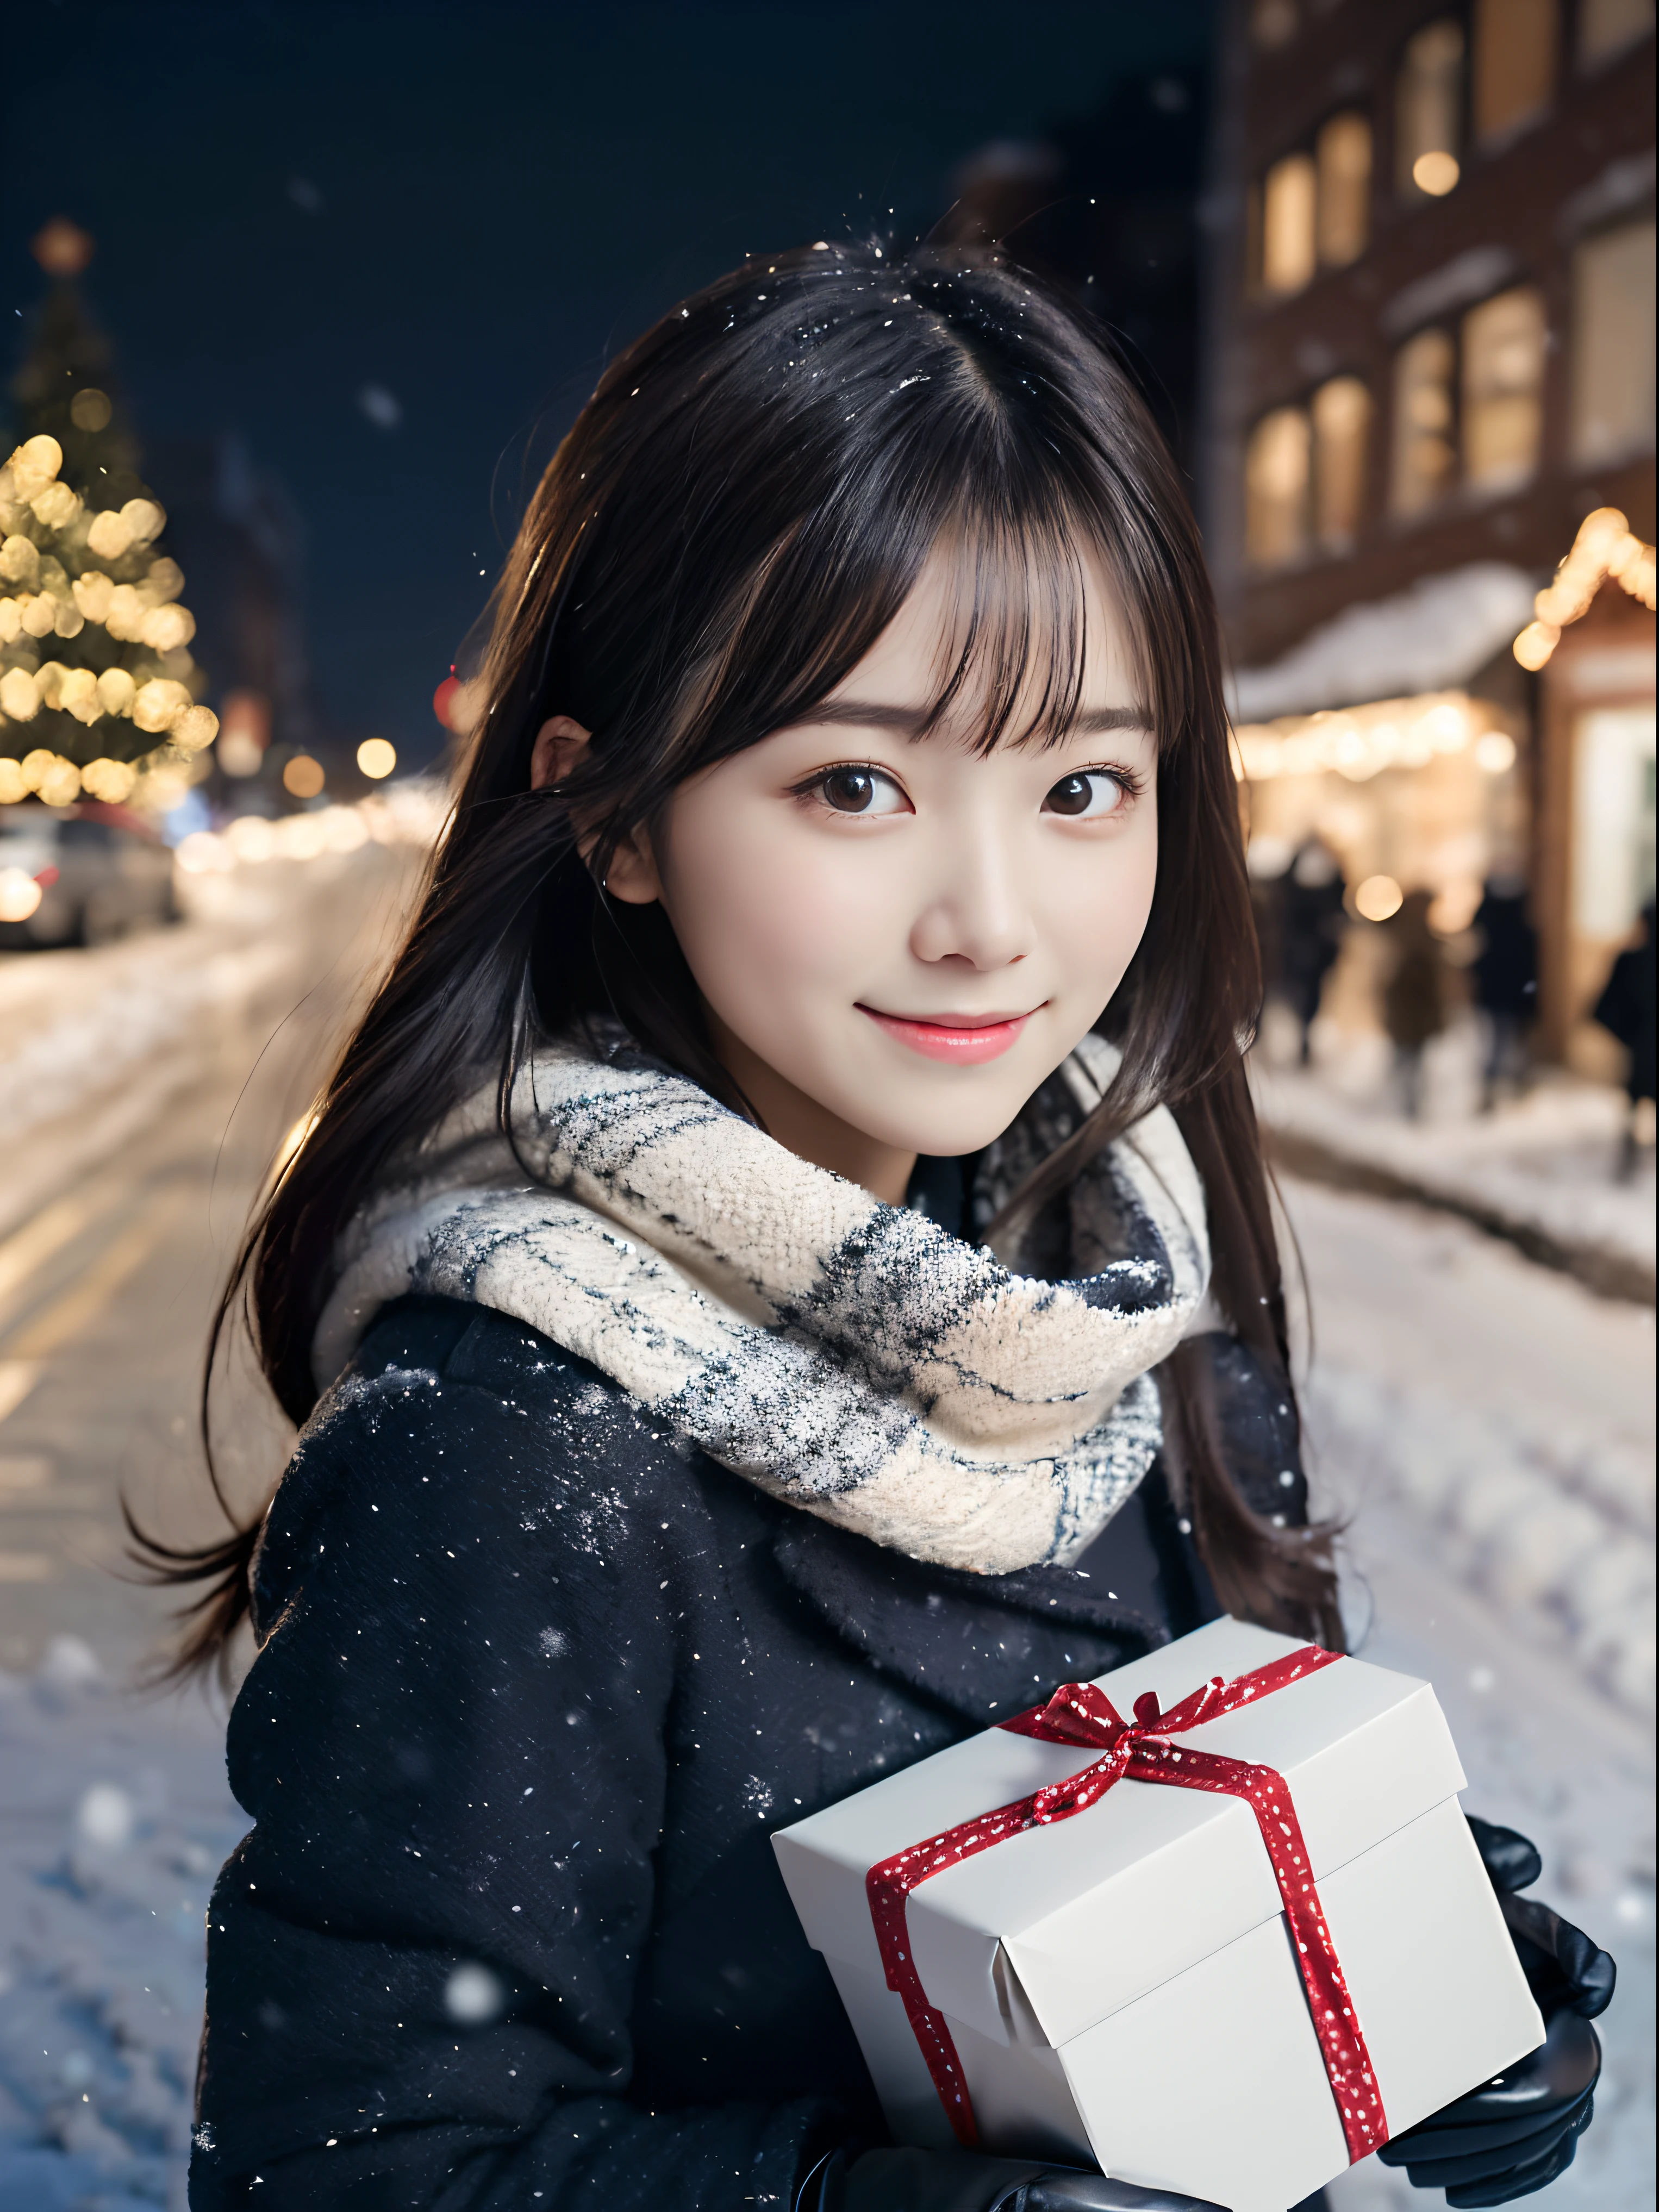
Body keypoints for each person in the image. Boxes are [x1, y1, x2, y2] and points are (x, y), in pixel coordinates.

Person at [137, 243, 1611, 2212]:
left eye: (1083, 781)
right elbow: (355, 2172)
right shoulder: (497, 1460)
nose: (991, 921)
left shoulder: (1128, 1304)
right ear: (613, 814)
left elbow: (1180, 1828)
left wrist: (1419, 1967)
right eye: (855, 782)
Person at [1593, 900, 1657, 1180]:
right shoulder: (1631, 961)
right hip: (1642, 1044)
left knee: (1636, 1100)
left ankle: (1629, 1157)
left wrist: (1628, 1034)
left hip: (1641, 1047)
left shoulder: (1631, 960)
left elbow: (1605, 1008)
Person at [1470, 873, 1538, 1112]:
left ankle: (1496, 1090)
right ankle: (1496, 1090)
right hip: (1508, 996)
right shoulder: (1520, 929)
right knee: (1502, 1044)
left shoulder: (1494, 928)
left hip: (1500, 995)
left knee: (1500, 1045)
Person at [1277, 835, 1346, 1065]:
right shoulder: (1295, 885)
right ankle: (1299, 1037)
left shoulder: (1330, 881)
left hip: (1315, 953)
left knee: (1308, 1000)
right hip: (1298, 951)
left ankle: (1303, 1039)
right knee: (1296, 998)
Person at [1381, 888, 1446, 1120]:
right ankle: (1404, 1104)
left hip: (1414, 1012)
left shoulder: (1409, 935)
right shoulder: (1416, 938)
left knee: (1408, 1059)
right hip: (1410, 1010)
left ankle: (1404, 1104)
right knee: (1408, 1060)